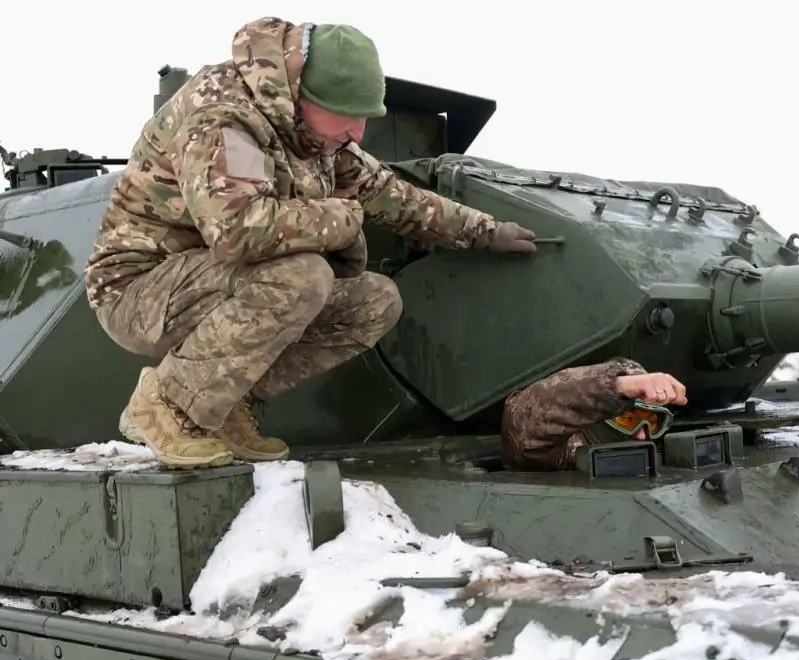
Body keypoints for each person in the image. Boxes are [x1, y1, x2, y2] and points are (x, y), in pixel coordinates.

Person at [84, 17, 536, 469]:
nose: (357, 133)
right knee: (302, 275)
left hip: (213, 281)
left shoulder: (314, 133)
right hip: (138, 289)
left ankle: (220, 403)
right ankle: (167, 403)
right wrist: (340, 219)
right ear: (302, 94)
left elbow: (392, 196)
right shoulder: (224, 116)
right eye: (347, 116)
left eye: (364, 117)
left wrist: (486, 232)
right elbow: (239, 230)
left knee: (375, 301)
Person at [500, 358, 688, 471]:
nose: (641, 434)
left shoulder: (657, 459)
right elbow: (525, 426)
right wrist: (618, 387)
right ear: (596, 415)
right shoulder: (568, 456)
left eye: (651, 423)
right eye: (627, 419)